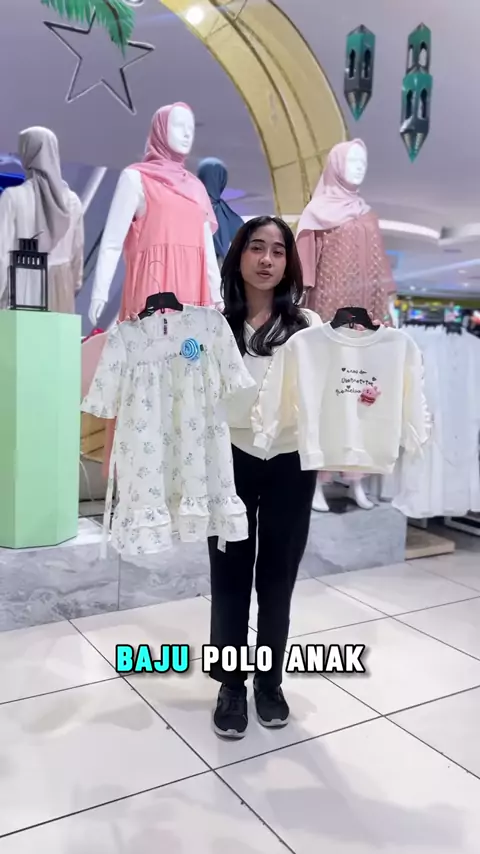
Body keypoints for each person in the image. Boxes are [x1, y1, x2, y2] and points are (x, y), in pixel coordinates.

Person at [209, 215, 320, 739]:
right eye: (257, 247)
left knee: (278, 577)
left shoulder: (309, 326)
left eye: (278, 250)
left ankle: (269, 683)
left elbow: (333, 389)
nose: (267, 259)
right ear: (239, 256)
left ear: (288, 263)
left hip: (291, 460)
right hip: (228, 458)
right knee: (229, 577)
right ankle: (231, 685)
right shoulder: (214, 326)